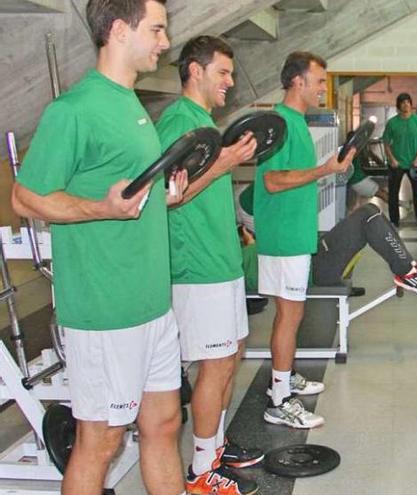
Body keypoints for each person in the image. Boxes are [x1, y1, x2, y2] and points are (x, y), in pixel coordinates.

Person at [10, 1, 187, 494]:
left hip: (151, 302)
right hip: (105, 310)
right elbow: (24, 197)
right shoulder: (74, 109)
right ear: (118, 30)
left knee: (165, 424)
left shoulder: (132, 104)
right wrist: (101, 209)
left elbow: (128, 192)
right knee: (102, 441)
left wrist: (165, 195)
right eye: (156, 30)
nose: (164, 42)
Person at [155, 35, 262, 495]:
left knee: (232, 352)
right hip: (197, 269)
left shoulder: (203, 121)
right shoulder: (180, 120)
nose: (230, 82)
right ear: (195, 71)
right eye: (223, 72)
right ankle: (201, 471)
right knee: (215, 365)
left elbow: (204, 188)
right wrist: (224, 164)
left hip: (222, 263)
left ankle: (214, 445)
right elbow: (168, 198)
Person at [254, 51, 353, 430]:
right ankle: (279, 400)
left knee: (291, 315)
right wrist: (324, 169)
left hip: (294, 234)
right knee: (290, 315)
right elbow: (272, 180)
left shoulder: (296, 121)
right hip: (283, 237)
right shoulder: (279, 123)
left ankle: (284, 376)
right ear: (298, 81)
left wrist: (331, 169)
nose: (323, 89)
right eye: (319, 82)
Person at [239, 183, 417, 295]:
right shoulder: (235, 263)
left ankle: (408, 267)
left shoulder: (248, 250)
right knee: (367, 214)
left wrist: (251, 242)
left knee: (371, 212)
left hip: (309, 254)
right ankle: (407, 271)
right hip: (312, 269)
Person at [383, 92, 417, 227]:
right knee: (393, 193)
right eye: (403, 102)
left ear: (411, 104)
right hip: (396, 164)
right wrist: (392, 159)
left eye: (408, 102)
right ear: (399, 106)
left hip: (415, 164)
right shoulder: (392, 123)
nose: (406, 104)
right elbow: (386, 143)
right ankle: (394, 221)